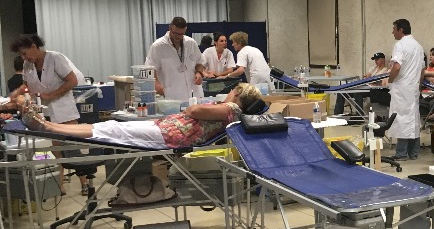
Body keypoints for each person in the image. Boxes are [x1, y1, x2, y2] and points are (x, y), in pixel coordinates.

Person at [18, 83, 262, 149]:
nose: (229, 92)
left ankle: (48, 128)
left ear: (238, 94)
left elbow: (194, 111)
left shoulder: (232, 110)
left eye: (233, 90)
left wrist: (191, 109)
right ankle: (47, 125)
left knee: (112, 130)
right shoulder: (229, 110)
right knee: (111, 127)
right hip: (167, 130)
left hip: (170, 136)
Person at [8, 35, 84, 195]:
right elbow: (26, 85)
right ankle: (60, 186)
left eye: (24, 53)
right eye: (21, 55)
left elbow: (72, 81)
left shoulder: (55, 58)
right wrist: (17, 92)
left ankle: (85, 182)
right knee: (55, 151)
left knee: (71, 149)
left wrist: (51, 95)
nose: (24, 57)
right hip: (44, 112)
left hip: (64, 110)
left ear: (33, 46)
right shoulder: (28, 64)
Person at [387, 19, 425, 161]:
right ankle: (413, 153)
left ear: (401, 30)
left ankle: (401, 153)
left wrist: (390, 80)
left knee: (401, 119)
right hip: (413, 87)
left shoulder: (400, 45)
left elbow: (396, 67)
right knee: (413, 119)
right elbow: (422, 70)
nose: (392, 32)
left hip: (402, 87)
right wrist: (418, 85)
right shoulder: (419, 46)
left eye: (394, 29)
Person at [145, 17, 207, 101]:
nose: (178, 36)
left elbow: (199, 62)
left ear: (185, 30)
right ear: (170, 28)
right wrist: (156, 84)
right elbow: (150, 69)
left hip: (194, 93)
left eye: (181, 34)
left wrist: (199, 73)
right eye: (175, 33)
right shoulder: (158, 46)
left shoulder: (191, 43)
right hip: (172, 95)